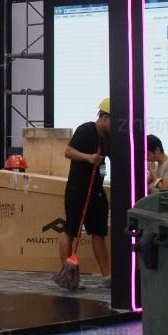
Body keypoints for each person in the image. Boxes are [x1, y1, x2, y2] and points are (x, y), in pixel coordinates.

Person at [59, 98, 111, 279]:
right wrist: (88, 157)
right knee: (70, 231)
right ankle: (67, 275)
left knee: (99, 232)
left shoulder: (109, 138)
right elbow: (68, 152)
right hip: (78, 190)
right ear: (104, 118)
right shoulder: (85, 130)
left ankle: (107, 276)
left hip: (96, 191)